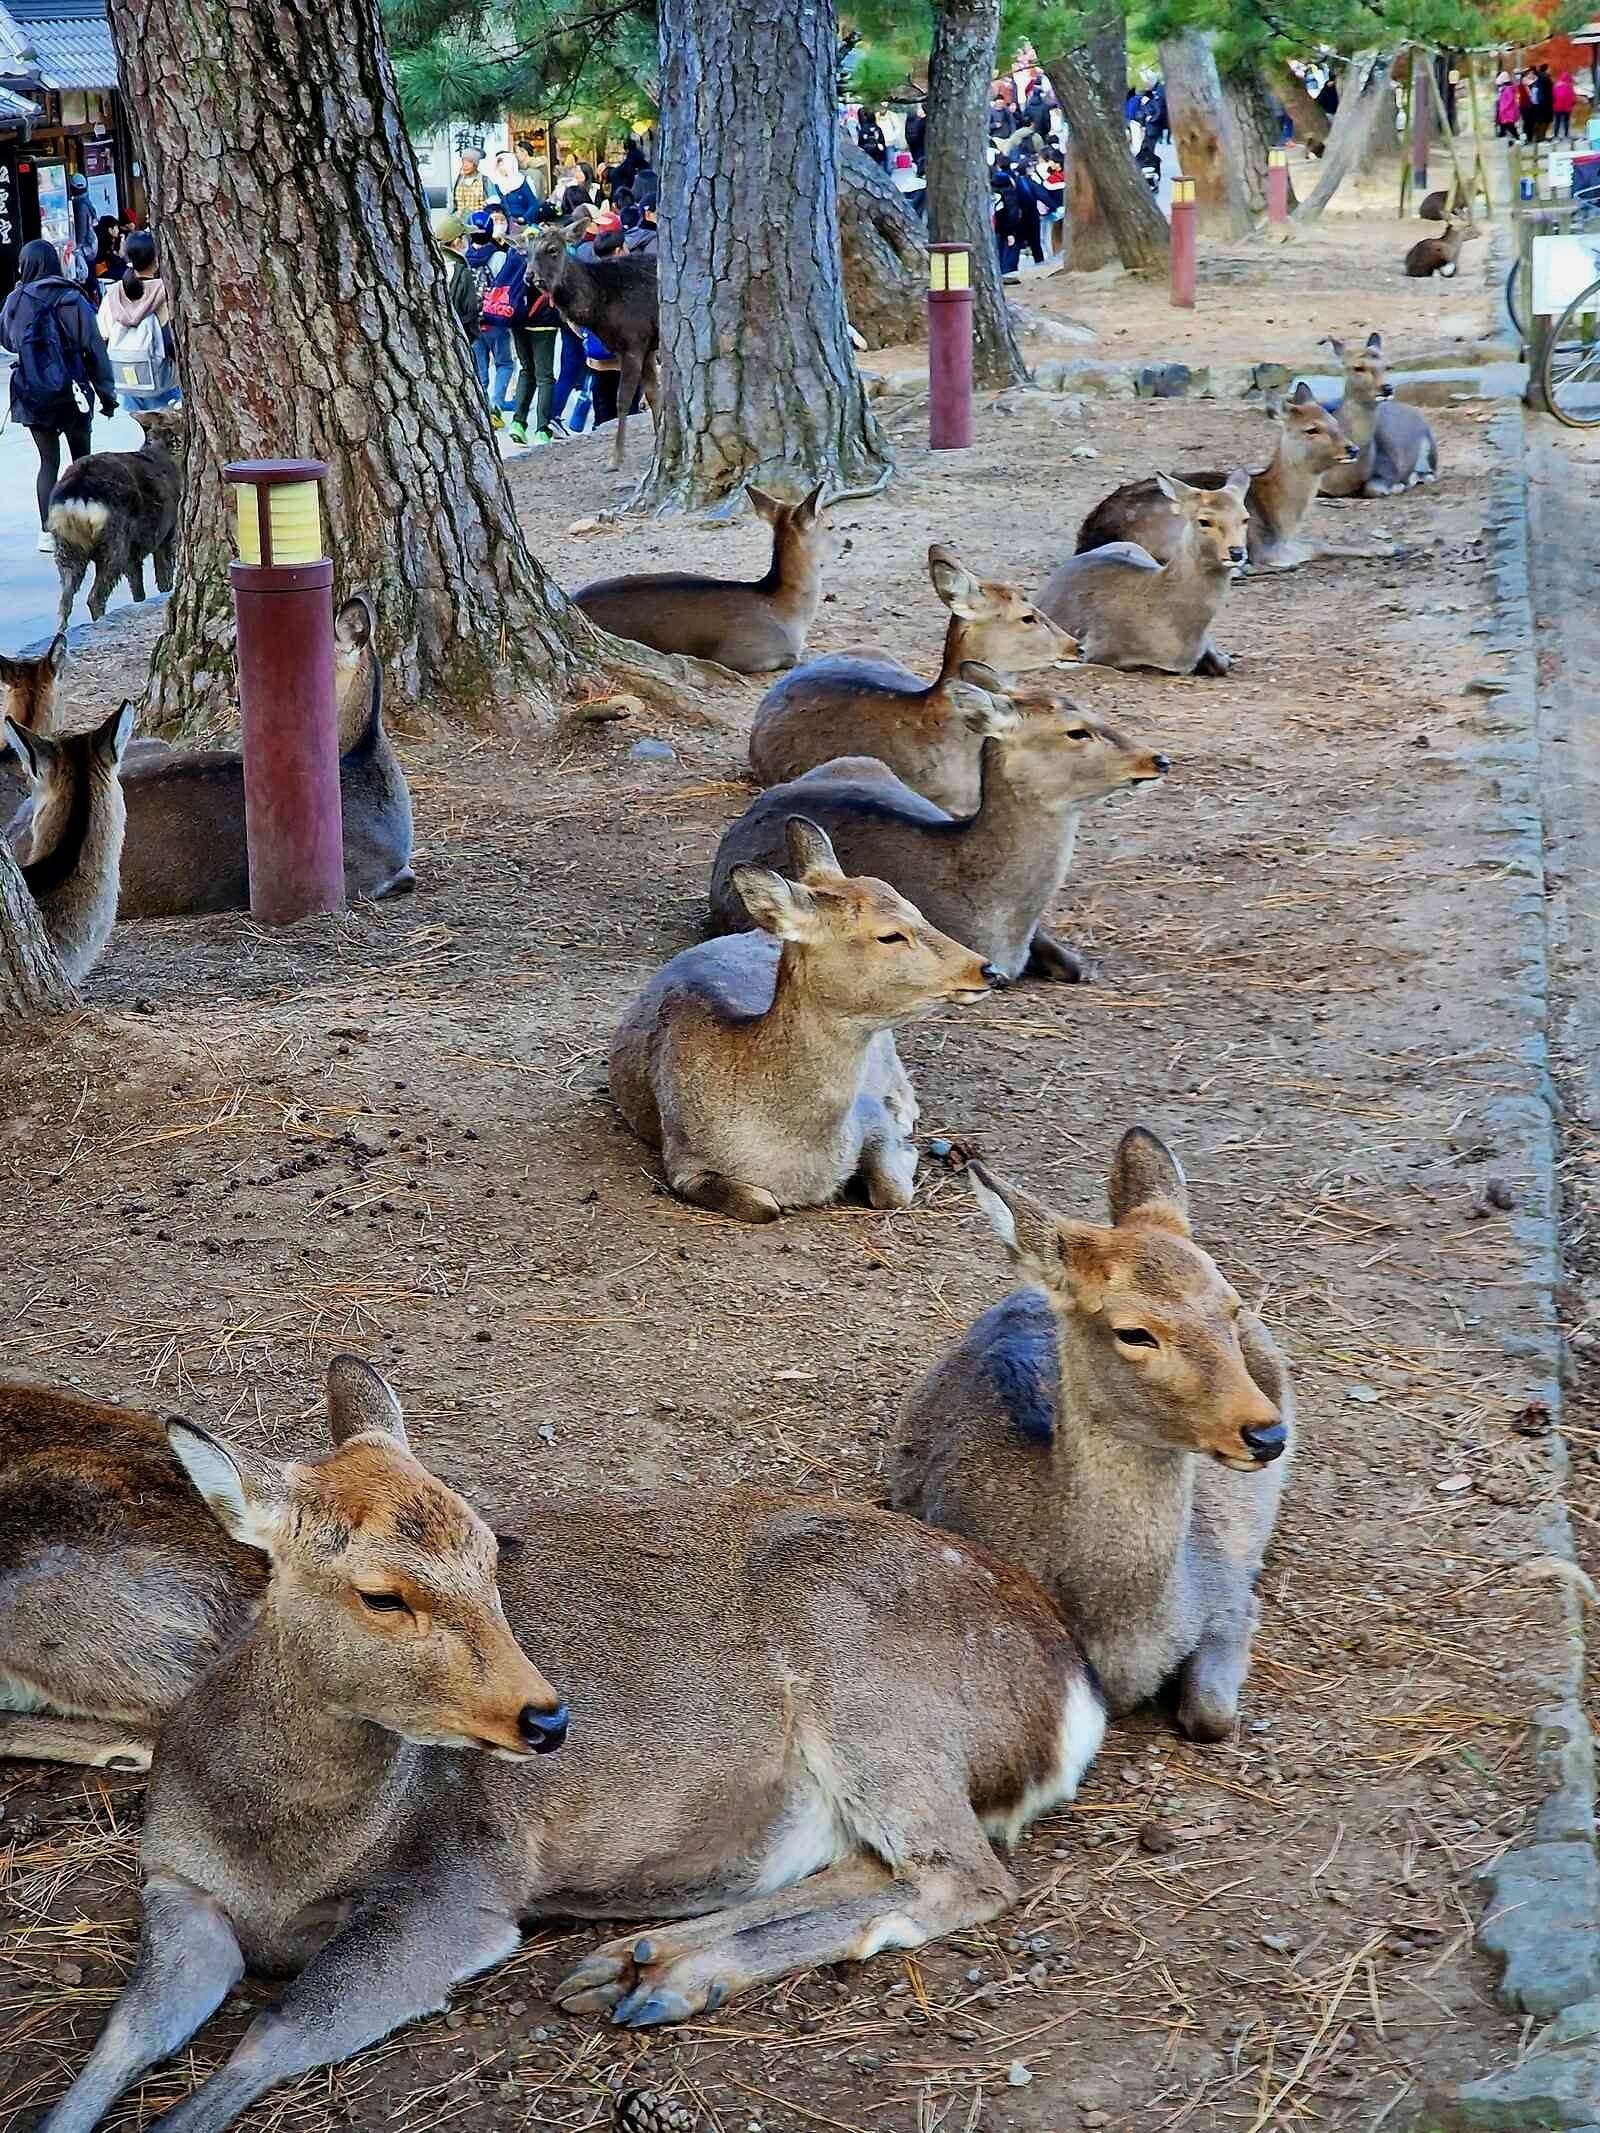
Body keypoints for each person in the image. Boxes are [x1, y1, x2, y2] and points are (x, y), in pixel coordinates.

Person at [0, 237, 117, 549]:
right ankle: (88, 526)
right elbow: (94, 348)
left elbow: (9, 343)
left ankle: (47, 532)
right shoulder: (71, 297)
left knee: (47, 462)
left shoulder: (15, 300)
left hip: (32, 393)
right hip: (73, 392)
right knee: (83, 461)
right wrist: (106, 394)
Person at [97, 228, 179, 412]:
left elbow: (103, 333)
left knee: (139, 435)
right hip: (163, 381)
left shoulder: (114, 293)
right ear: (157, 260)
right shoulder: (165, 291)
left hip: (126, 381)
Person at [466, 207, 519, 426]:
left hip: (473, 322)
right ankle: (496, 405)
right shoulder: (499, 257)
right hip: (496, 320)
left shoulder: (464, 258)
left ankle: (481, 408)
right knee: (504, 364)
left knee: (480, 369)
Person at [430, 210, 480, 342]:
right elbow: (471, 311)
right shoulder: (461, 271)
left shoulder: (430, 265)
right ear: (458, 242)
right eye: (465, 237)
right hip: (459, 337)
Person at [453, 147, 487, 218]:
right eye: (463, 161)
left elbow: (490, 202)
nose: (465, 165)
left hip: (479, 221)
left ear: (476, 164)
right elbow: (454, 203)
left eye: (469, 162)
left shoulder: (484, 180)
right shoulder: (459, 179)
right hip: (461, 221)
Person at [93, 215, 126, 285]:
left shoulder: (107, 239)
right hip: (103, 272)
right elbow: (113, 259)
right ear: (110, 229)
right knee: (128, 273)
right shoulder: (102, 243)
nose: (118, 230)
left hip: (108, 269)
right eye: (116, 227)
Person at [1553, 67, 1577, 139]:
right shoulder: (1570, 87)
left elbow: (1553, 96)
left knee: (1557, 121)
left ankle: (1556, 135)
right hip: (1567, 108)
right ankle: (1566, 134)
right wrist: (1572, 104)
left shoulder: (1556, 86)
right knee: (1566, 121)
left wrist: (1553, 105)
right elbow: (1573, 98)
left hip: (1557, 107)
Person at [1495, 70, 1520, 137]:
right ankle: (1515, 137)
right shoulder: (1507, 88)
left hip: (1508, 112)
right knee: (1509, 125)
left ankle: (1518, 138)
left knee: (1509, 125)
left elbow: (1509, 100)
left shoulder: (1508, 89)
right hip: (1507, 111)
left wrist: (1503, 108)